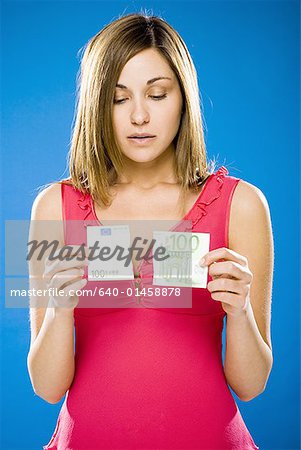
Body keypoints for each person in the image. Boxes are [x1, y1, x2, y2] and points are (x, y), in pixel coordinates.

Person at [27, 12, 274, 450]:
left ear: (183, 97)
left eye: (157, 94)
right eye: (119, 98)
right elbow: (46, 388)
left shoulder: (242, 205)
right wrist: (60, 308)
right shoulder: (54, 207)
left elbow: (252, 385)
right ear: (96, 105)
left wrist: (239, 313)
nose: (139, 115)